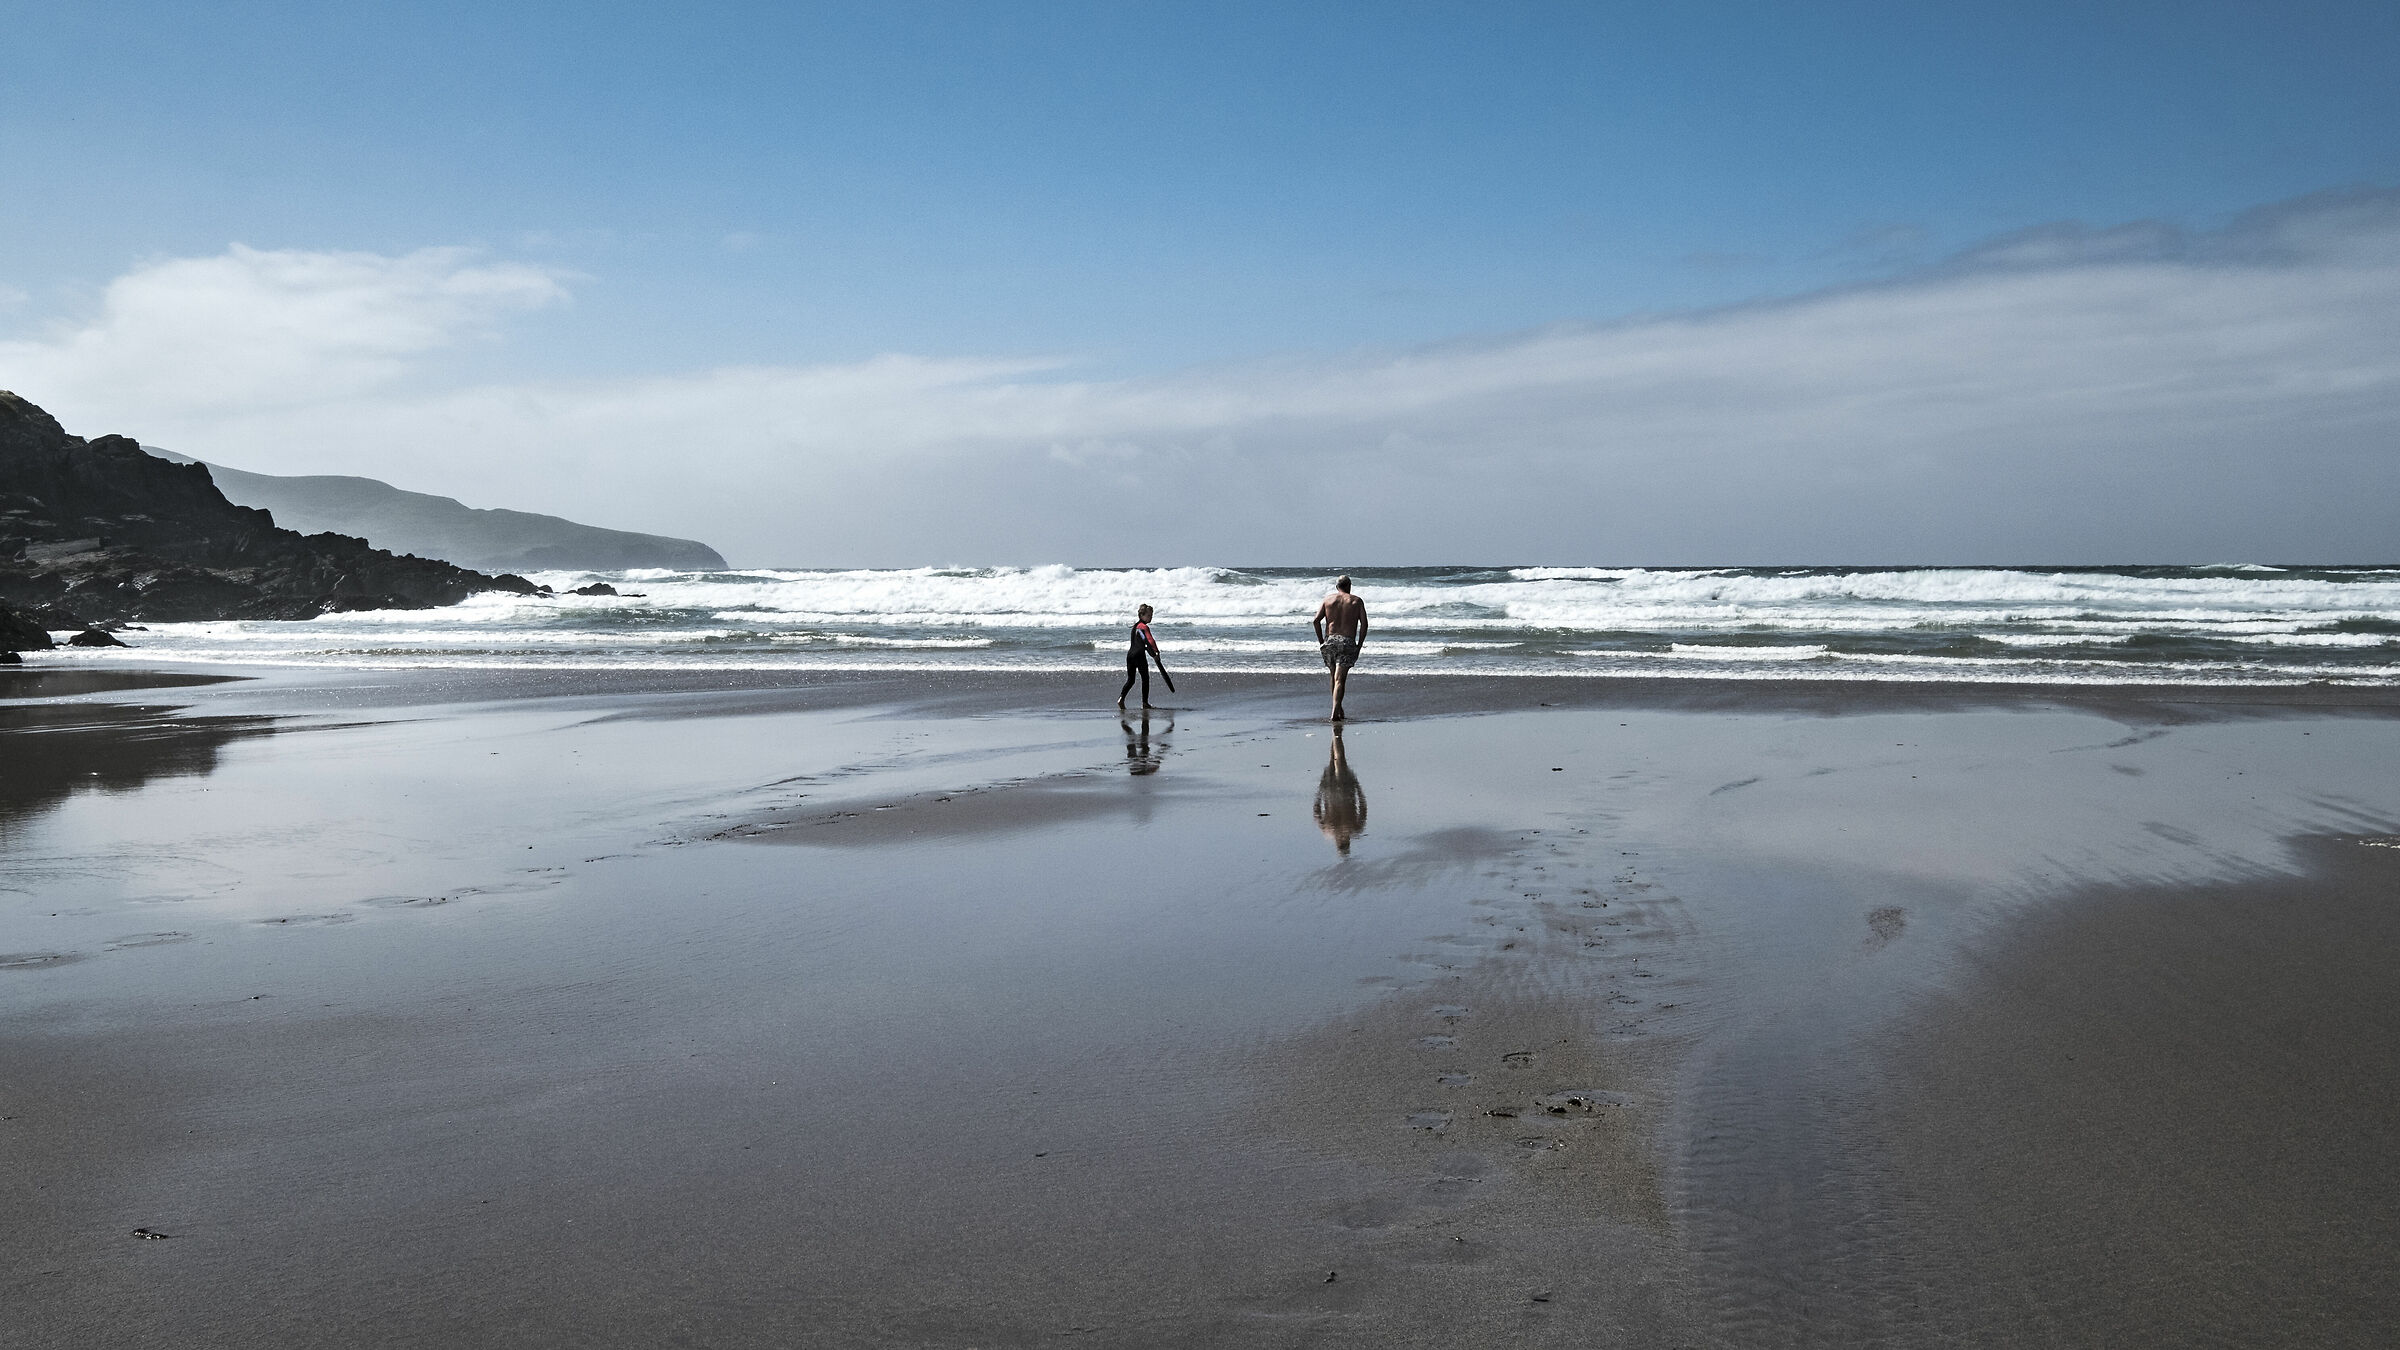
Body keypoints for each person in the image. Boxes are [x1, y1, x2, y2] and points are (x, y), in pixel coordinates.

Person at [1312, 574, 1368, 722]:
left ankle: (1339, 709)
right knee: (1340, 680)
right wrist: (1359, 644)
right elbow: (1364, 625)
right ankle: (1334, 713)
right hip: (1347, 641)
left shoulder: (1328, 600)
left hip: (1330, 641)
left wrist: (1321, 642)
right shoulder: (1356, 601)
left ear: (1337, 587)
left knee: (1333, 676)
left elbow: (1316, 621)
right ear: (1349, 586)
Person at [1312, 725, 1367, 854]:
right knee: (1338, 761)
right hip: (1340, 792)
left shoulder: (1329, 830)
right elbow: (1317, 812)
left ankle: (1336, 734)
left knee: (1336, 760)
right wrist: (1358, 788)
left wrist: (1320, 792)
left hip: (1333, 793)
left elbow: (1317, 813)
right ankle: (1336, 734)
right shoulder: (1351, 829)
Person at [1118, 603, 1170, 709]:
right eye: (1149, 615)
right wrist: (1156, 653)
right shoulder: (1144, 627)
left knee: (1131, 680)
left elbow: (1143, 642)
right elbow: (1150, 640)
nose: (1150, 617)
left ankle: (1121, 698)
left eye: (1151, 615)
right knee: (1145, 679)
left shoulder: (1135, 627)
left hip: (1130, 656)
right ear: (1142, 616)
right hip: (1139, 656)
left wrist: (1151, 653)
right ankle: (1145, 703)